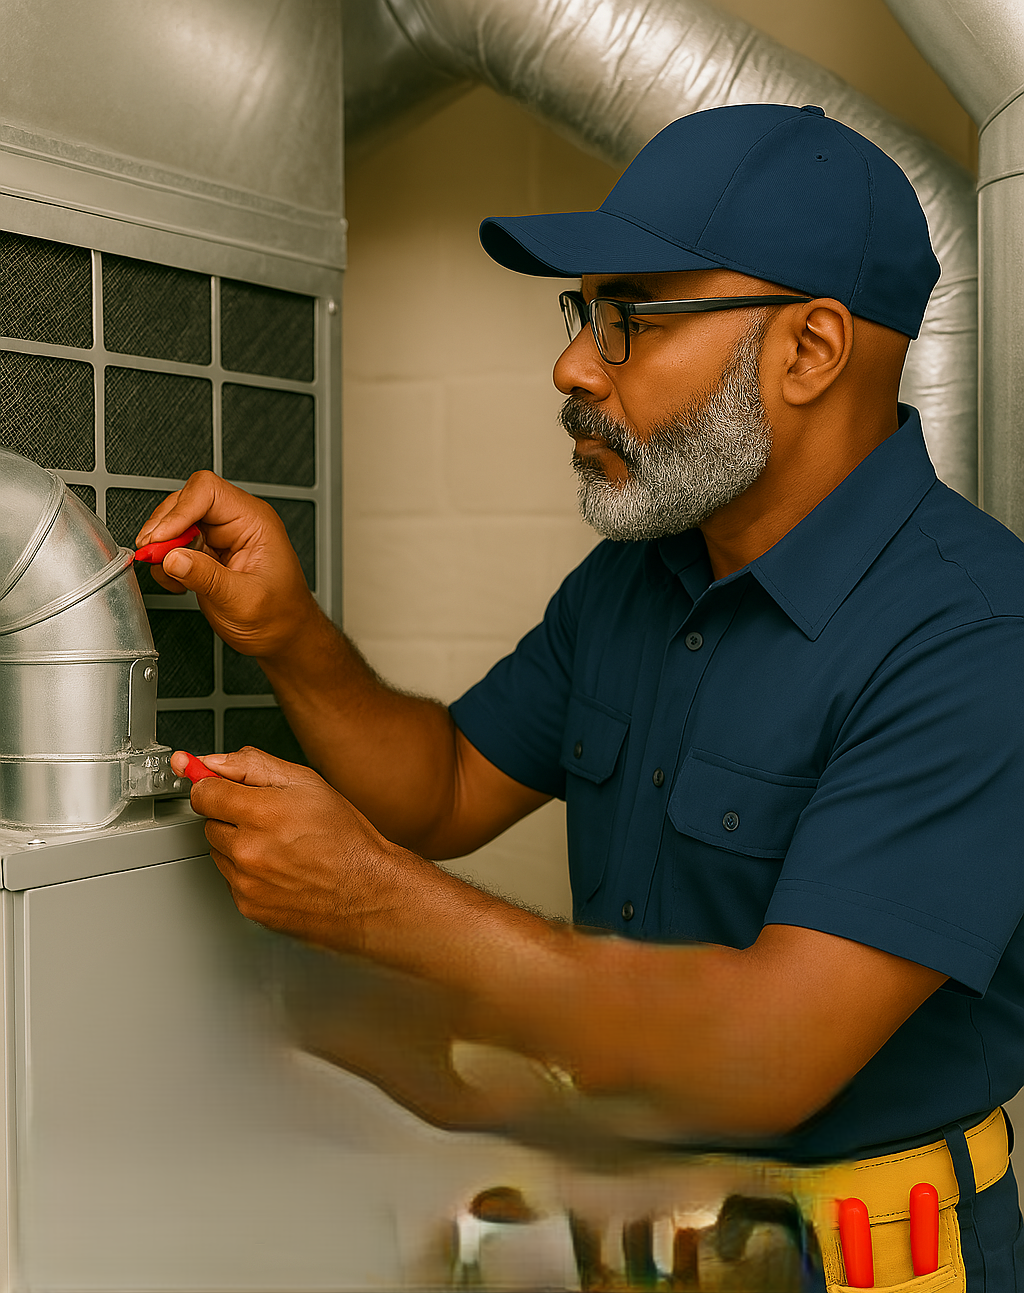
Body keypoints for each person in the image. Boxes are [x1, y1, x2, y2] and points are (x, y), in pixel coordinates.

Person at [138, 104, 1024, 1289]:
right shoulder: (637, 577)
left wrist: (377, 906)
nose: (571, 365)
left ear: (809, 351)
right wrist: (291, 638)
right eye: (581, 315)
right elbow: (445, 788)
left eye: (630, 320)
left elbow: (769, 1053)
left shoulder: (971, 633)